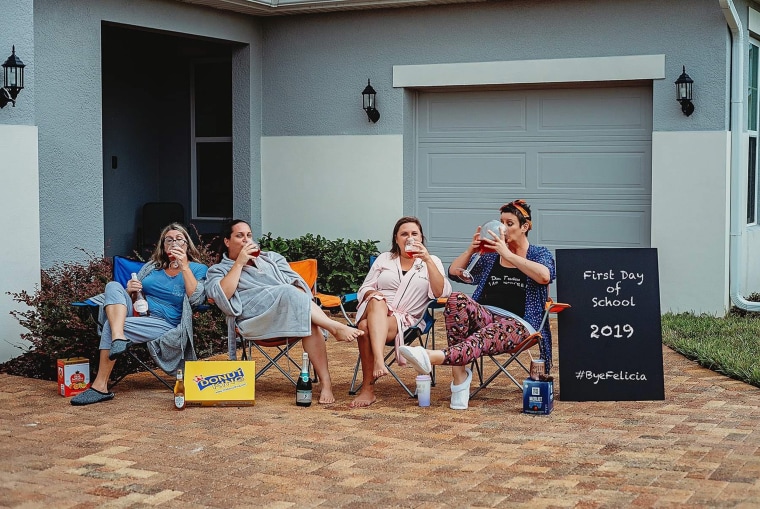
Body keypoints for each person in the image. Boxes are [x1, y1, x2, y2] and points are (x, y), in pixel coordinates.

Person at [400, 200, 556, 410]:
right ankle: (459, 377)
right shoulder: (491, 257)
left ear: (524, 227)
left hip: (520, 324)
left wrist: (508, 254)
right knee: (456, 299)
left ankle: (432, 357)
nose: (502, 228)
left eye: (509, 223)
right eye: (501, 222)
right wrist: (470, 249)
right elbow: (455, 272)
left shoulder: (539, 253)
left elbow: (544, 276)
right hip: (487, 315)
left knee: (487, 334)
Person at [206, 219, 363, 404]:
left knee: (308, 321)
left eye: (249, 235)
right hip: (254, 318)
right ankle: (334, 326)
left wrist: (285, 293)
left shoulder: (272, 258)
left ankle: (326, 383)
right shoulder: (217, 270)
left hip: (285, 311)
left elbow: (299, 284)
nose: (246, 240)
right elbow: (222, 295)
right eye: (239, 236)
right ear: (227, 241)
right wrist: (239, 264)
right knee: (289, 293)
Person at [71, 223, 208, 405]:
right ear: (163, 245)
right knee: (114, 286)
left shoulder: (198, 269)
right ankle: (119, 337)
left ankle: (100, 386)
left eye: (179, 240)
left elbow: (196, 299)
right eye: (169, 240)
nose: (174, 243)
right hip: (137, 314)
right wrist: (131, 290)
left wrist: (184, 266)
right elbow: (135, 295)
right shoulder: (153, 267)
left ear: (187, 244)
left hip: (164, 323)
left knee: (110, 326)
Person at [349, 216, 451, 408]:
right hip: (374, 308)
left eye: (414, 234)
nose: (409, 238)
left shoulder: (431, 261)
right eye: (404, 234)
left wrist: (427, 259)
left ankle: (368, 389)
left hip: (405, 321)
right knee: (377, 300)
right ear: (396, 238)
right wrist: (374, 293)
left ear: (421, 238)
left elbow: (441, 293)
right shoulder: (384, 259)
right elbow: (364, 289)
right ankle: (380, 362)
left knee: (363, 327)